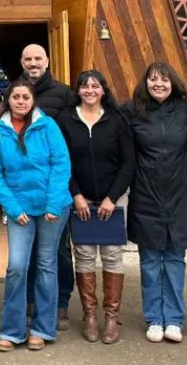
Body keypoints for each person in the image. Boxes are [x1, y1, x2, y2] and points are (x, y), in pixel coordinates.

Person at [0, 79, 72, 352]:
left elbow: (61, 164)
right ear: (8, 101)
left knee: (46, 264)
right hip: (19, 210)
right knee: (17, 266)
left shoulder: (48, 126)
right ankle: (12, 330)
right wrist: (13, 208)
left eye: (25, 97)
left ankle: (42, 328)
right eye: (15, 97)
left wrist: (53, 205)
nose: (21, 101)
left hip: (52, 208)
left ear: (32, 100)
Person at [57, 70, 135, 345]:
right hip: (81, 199)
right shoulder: (66, 120)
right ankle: (90, 315)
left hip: (113, 198)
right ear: (77, 90)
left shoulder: (117, 119)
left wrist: (112, 198)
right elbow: (61, 160)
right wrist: (76, 195)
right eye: (84, 86)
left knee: (113, 254)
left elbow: (128, 163)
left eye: (95, 86)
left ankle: (111, 316)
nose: (90, 90)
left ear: (103, 90)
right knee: (85, 255)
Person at [124, 61, 187, 344]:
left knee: (176, 259)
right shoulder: (133, 111)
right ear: (145, 83)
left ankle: (175, 319)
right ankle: (155, 318)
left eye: (164, 80)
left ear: (173, 83)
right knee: (151, 260)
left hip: (179, 193)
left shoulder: (185, 111)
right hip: (146, 193)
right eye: (153, 80)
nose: (159, 84)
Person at [20, 44, 75, 330]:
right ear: (22, 62)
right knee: (30, 249)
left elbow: (72, 138)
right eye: (28, 59)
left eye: (37, 58)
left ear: (47, 61)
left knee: (58, 249)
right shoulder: (16, 91)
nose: (33, 63)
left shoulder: (64, 94)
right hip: (25, 185)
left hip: (55, 184)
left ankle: (61, 302)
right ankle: (31, 301)